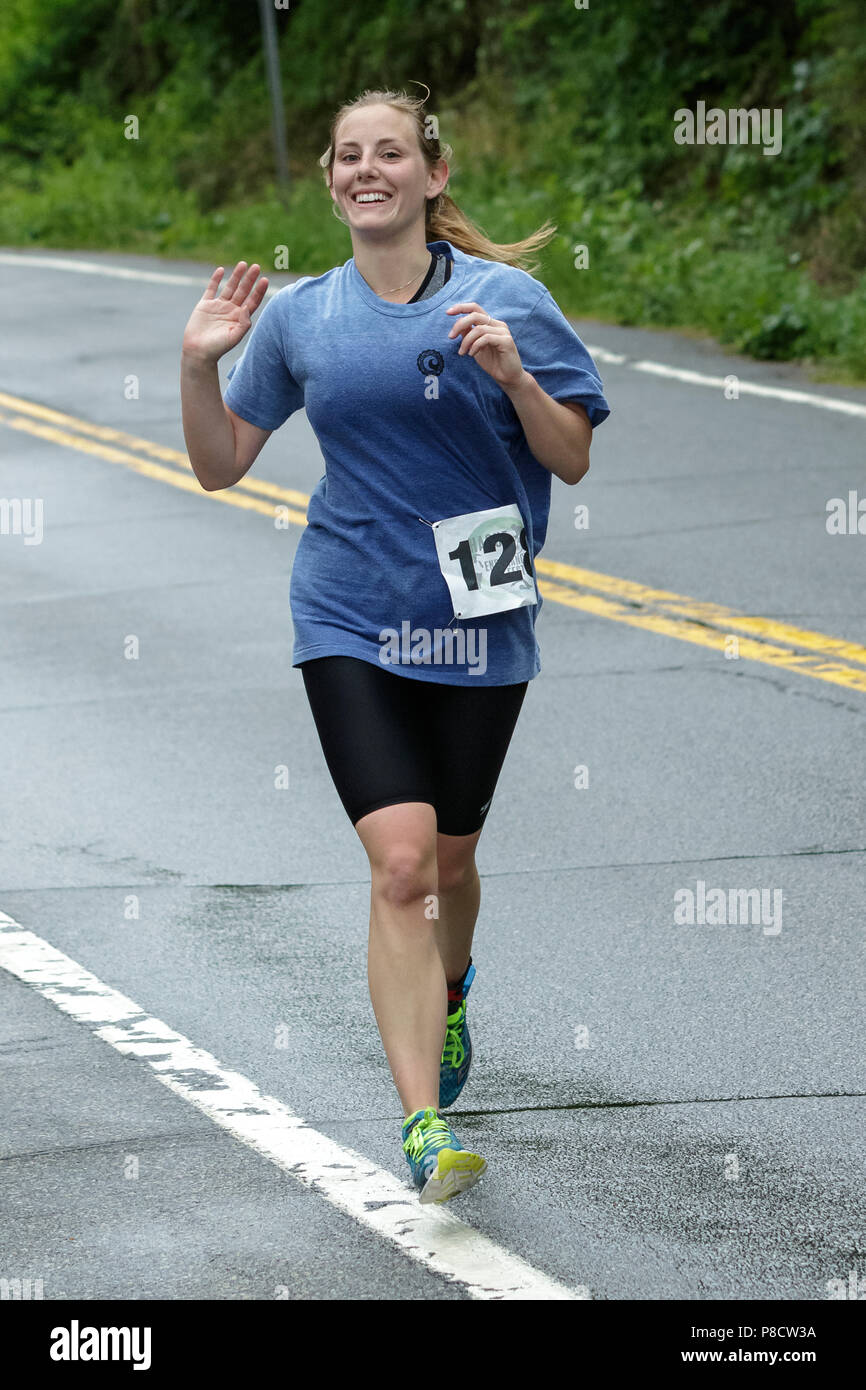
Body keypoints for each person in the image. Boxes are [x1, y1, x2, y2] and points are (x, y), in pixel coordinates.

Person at [180, 85, 610, 1206]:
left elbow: (567, 458)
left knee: (454, 864)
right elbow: (223, 461)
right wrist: (196, 367)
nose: (365, 169)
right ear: (329, 183)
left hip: (479, 621)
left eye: (387, 154)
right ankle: (421, 1124)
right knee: (404, 865)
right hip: (348, 618)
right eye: (345, 157)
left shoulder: (507, 300)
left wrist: (514, 375)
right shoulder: (301, 318)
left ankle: (451, 983)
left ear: (431, 176)